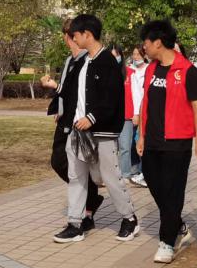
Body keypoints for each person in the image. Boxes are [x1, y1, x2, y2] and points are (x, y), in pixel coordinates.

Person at [52, 15, 139, 244]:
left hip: (102, 132)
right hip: (77, 131)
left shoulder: (107, 62)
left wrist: (91, 118)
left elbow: (112, 98)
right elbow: (72, 93)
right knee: (76, 177)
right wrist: (61, 102)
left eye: (75, 35)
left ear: (87, 35)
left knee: (110, 177)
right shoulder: (83, 62)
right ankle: (75, 224)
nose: (73, 39)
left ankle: (129, 219)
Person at [136, 20, 197, 264]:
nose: (144, 47)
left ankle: (167, 242)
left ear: (158, 42)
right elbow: (145, 102)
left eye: (146, 42)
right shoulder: (151, 69)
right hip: (152, 140)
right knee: (155, 184)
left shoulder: (188, 71)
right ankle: (177, 226)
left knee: (173, 191)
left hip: (177, 142)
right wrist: (142, 135)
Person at [42, 20, 105, 226]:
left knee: (80, 167)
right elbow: (66, 91)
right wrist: (59, 108)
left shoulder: (87, 60)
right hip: (65, 120)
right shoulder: (70, 60)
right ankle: (90, 200)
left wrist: (56, 87)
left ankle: (86, 213)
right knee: (60, 162)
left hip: (80, 122)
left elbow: (78, 92)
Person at [120, 46, 147, 186]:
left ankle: (143, 171)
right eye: (134, 54)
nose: (136, 57)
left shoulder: (148, 69)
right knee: (129, 144)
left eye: (138, 54)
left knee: (139, 141)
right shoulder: (129, 70)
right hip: (132, 111)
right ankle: (133, 169)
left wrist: (137, 112)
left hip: (142, 111)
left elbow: (138, 94)